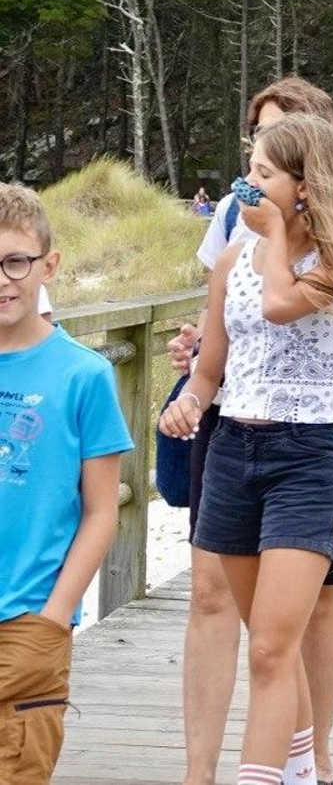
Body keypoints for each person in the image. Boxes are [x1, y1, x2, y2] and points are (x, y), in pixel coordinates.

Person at [157, 114, 333, 785]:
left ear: (304, 187)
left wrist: (272, 235)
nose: (247, 184)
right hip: (234, 450)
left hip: (310, 452)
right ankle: (301, 767)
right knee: (260, 639)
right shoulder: (227, 262)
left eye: (265, 175)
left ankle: (264, 776)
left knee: (274, 646)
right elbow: (213, 365)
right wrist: (189, 401)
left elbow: (279, 304)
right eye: (249, 168)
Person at [0, 183, 133, 784]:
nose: (3, 279)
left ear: (47, 265)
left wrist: (56, 615)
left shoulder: (85, 374)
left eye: (15, 261)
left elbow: (102, 511)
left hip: (31, 616)